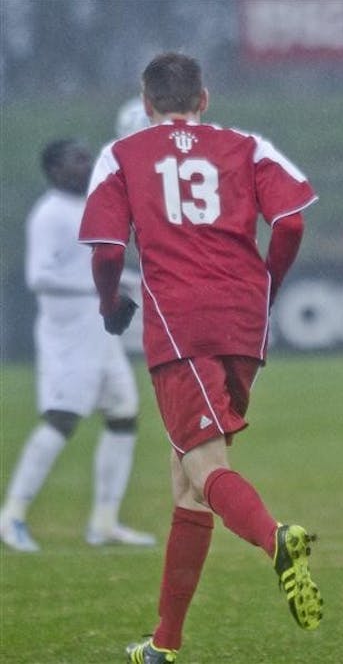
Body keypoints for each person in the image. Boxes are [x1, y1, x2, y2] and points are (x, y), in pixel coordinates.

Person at [79, 52, 323, 663]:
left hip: (181, 323)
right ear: (204, 99)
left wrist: (110, 305)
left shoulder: (123, 153)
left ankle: (276, 539)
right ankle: (165, 643)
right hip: (245, 319)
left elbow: (108, 251)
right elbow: (290, 222)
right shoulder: (248, 145)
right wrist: (268, 283)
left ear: (145, 103)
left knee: (203, 463)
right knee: (187, 479)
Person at [0, 139, 155, 552]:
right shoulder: (48, 214)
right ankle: (11, 515)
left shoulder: (93, 205)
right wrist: (97, 286)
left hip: (99, 328)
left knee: (123, 414)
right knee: (62, 417)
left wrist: (119, 282)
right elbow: (38, 276)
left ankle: (104, 522)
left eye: (88, 156)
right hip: (67, 331)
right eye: (77, 159)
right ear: (54, 169)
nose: (86, 164)